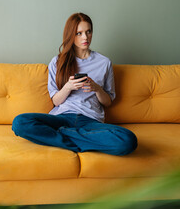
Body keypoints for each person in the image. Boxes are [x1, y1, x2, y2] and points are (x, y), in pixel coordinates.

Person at [12, 12, 137, 156]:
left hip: (90, 121)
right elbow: (56, 101)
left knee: (128, 140)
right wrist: (68, 87)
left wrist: (96, 88)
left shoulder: (104, 62)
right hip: (61, 117)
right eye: (79, 33)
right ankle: (80, 139)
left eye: (88, 32)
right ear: (71, 35)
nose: (85, 37)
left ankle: (64, 136)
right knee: (20, 122)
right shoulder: (58, 62)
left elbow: (108, 102)